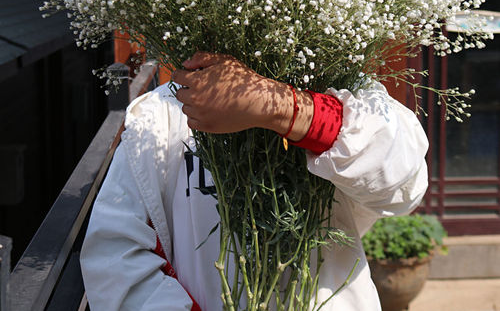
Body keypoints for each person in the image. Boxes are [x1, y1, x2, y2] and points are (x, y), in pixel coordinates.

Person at [80, 51, 429, 311]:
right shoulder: (162, 114)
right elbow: (117, 257)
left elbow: (403, 184)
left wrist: (279, 105)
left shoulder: (343, 86)